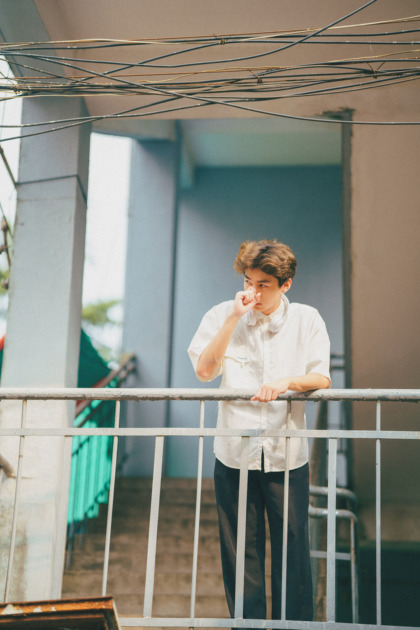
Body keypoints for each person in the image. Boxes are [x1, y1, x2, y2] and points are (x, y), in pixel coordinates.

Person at [188, 239, 331, 624]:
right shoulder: (222, 313)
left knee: (293, 550)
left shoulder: (307, 319)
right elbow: (204, 371)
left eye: (263, 284)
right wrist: (233, 319)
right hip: (233, 454)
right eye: (248, 281)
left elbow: (322, 377)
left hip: (287, 454)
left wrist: (287, 382)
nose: (253, 291)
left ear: (286, 284)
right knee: (240, 555)